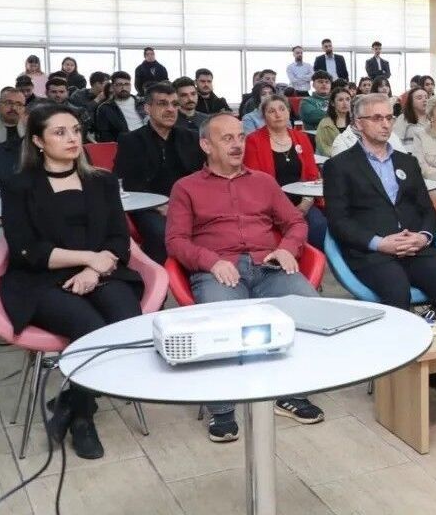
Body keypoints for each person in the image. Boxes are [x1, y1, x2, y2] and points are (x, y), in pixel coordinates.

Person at [166, 113, 325, 442]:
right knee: (218, 326)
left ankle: (291, 393)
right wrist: (210, 261)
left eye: (240, 136)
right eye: (227, 138)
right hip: (219, 271)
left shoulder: (264, 182)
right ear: (206, 145)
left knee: (312, 310)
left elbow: (296, 222)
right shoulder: (186, 187)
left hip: (268, 266)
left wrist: (287, 248)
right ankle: (222, 408)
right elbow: (176, 241)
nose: (238, 144)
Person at [1, 104, 142, 459]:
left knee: (126, 323)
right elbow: (27, 250)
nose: (72, 138)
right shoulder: (19, 186)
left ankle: (69, 402)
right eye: (60, 132)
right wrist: (87, 258)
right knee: (91, 328)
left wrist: (94, 269)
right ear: (38, 141)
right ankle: (83, 420)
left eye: (76, 130)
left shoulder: (102, 181)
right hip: (41, 279)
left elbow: (118, 238)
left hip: (101, 272)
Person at [324, 94, 436, 395]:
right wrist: (380, 243)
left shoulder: (407, 162)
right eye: (376, 118)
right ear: (358, 124)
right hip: (372, 251)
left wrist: (424, 236)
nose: (385, 124)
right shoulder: (340, 166)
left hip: (415, 246)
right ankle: (398, 375)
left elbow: (425, 210)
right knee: (396, 290)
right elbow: (339, 221)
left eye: (389, 117)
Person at [113, 83, 205, 264]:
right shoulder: (130, 141)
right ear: (147, 108)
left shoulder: (192, 138)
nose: (171, 109)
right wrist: (160, 206)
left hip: (189, 204)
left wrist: (183, 205)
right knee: (163, 235)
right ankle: (161, 276)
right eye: (163, 103)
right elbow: (125, 183)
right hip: (149, 207)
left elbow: (203, 176)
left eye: (174, 104)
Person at [244, 95, 326, 251]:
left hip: (302, 202)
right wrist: (284, 212)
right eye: (271, 111)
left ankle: (316, 263)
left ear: (289, 112)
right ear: (264, 116)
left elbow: (312, 176)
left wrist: (304, 205)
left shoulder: (301, 138)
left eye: (282, 109)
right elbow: (254, 183)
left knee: (319, 226)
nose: (278, 114)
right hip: (269, 207)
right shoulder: (253, 141)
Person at [93, 71, 145, 143]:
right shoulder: (105, 108)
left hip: (148, 139)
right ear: (112, 87)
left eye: (127, 84)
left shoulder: (142, 102)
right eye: (119, 85)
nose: (124, 88)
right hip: (125, 143)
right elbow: (104, 135)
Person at [315, 88, 352, 157]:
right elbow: (323, 147)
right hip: (334, 158)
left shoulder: (356, 121)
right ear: (332, 103)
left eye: (348, 99)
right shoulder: (325, 124)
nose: (345, 103)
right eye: (340, 100)